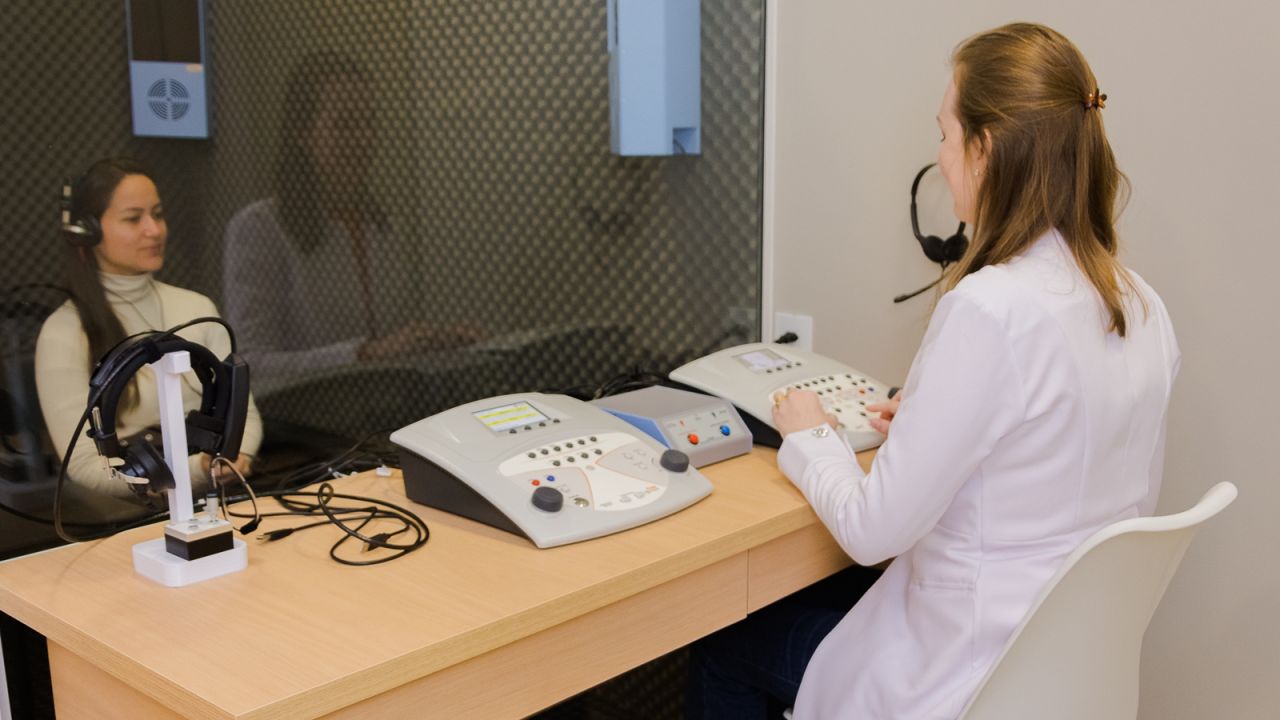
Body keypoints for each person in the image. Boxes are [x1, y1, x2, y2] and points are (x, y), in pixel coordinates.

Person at [689, 22, 1179, 719]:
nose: (941, 157)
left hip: (958, 681)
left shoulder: (990, 308)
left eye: (945, 135)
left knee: (726, 646)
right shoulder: (1142, 304)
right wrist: (934, 436)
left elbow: (870, 533)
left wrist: (812, 437)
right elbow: (1100, 494)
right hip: (1057, 683)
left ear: (985, 150)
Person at [222, 51, 475, 397]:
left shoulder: (382, 226)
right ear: (303, 133)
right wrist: (363, 354)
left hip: (384, 419)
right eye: (346, 124)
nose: (363, 139)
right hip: (310, 430)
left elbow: (390, 344)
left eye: (369, 122)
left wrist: (438, 341)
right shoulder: (260, 229)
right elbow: (253, 363)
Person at [36, 157, 263, 520]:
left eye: (157, 214)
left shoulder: (197, 307)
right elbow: (81, 465)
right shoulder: (63, 333)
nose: (154, 230)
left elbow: (244, 415)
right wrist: (197, 469)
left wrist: (236, 456)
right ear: (87, 232)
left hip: (220, 504)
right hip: (130, 521)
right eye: (133, 218)